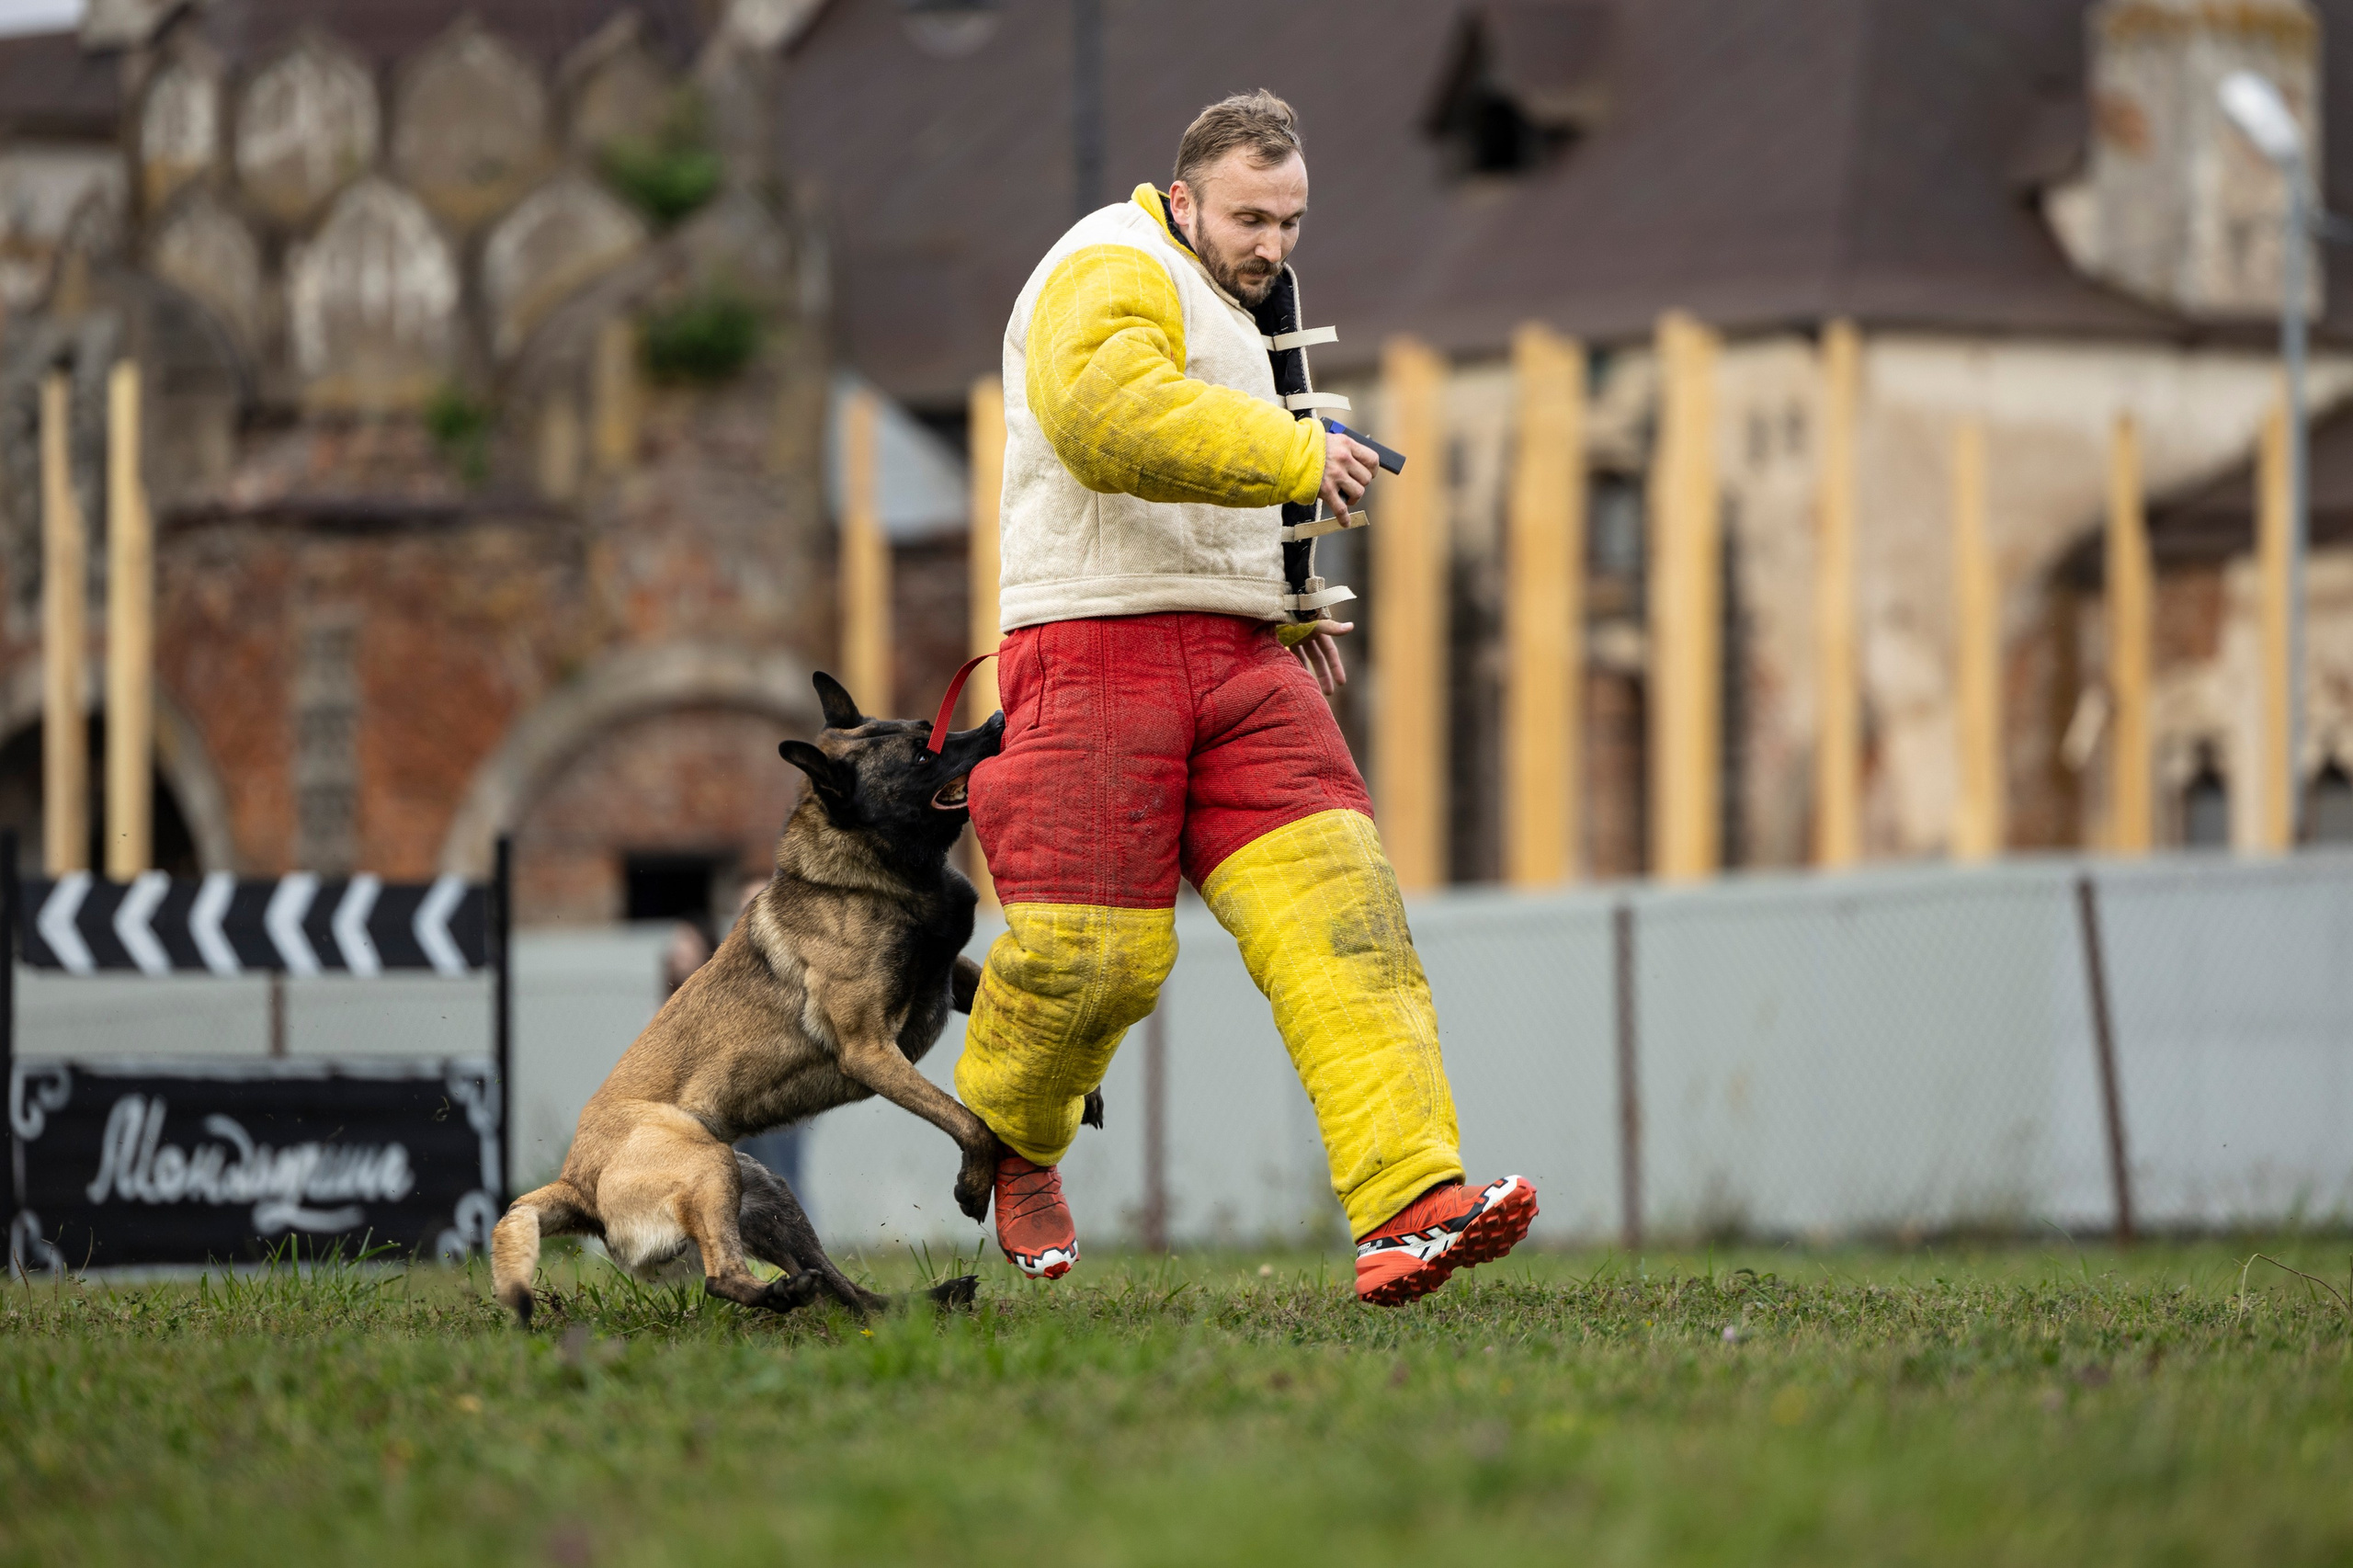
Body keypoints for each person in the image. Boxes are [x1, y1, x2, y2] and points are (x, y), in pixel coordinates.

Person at [958, 90, 1535, 1305]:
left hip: (1243, 662)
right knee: (1093, 961)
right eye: (1250, 216)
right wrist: (1295, 449)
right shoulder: (1104, 264)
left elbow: (1222, 468)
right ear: (1183, 201)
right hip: (1094, 644)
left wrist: (1291, 601)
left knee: (1348, 920)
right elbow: (1110, 420)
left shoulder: (1245, 303)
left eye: (1292, 219)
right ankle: (1015, 1139)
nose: (1273, 243)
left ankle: (1408, 1202)